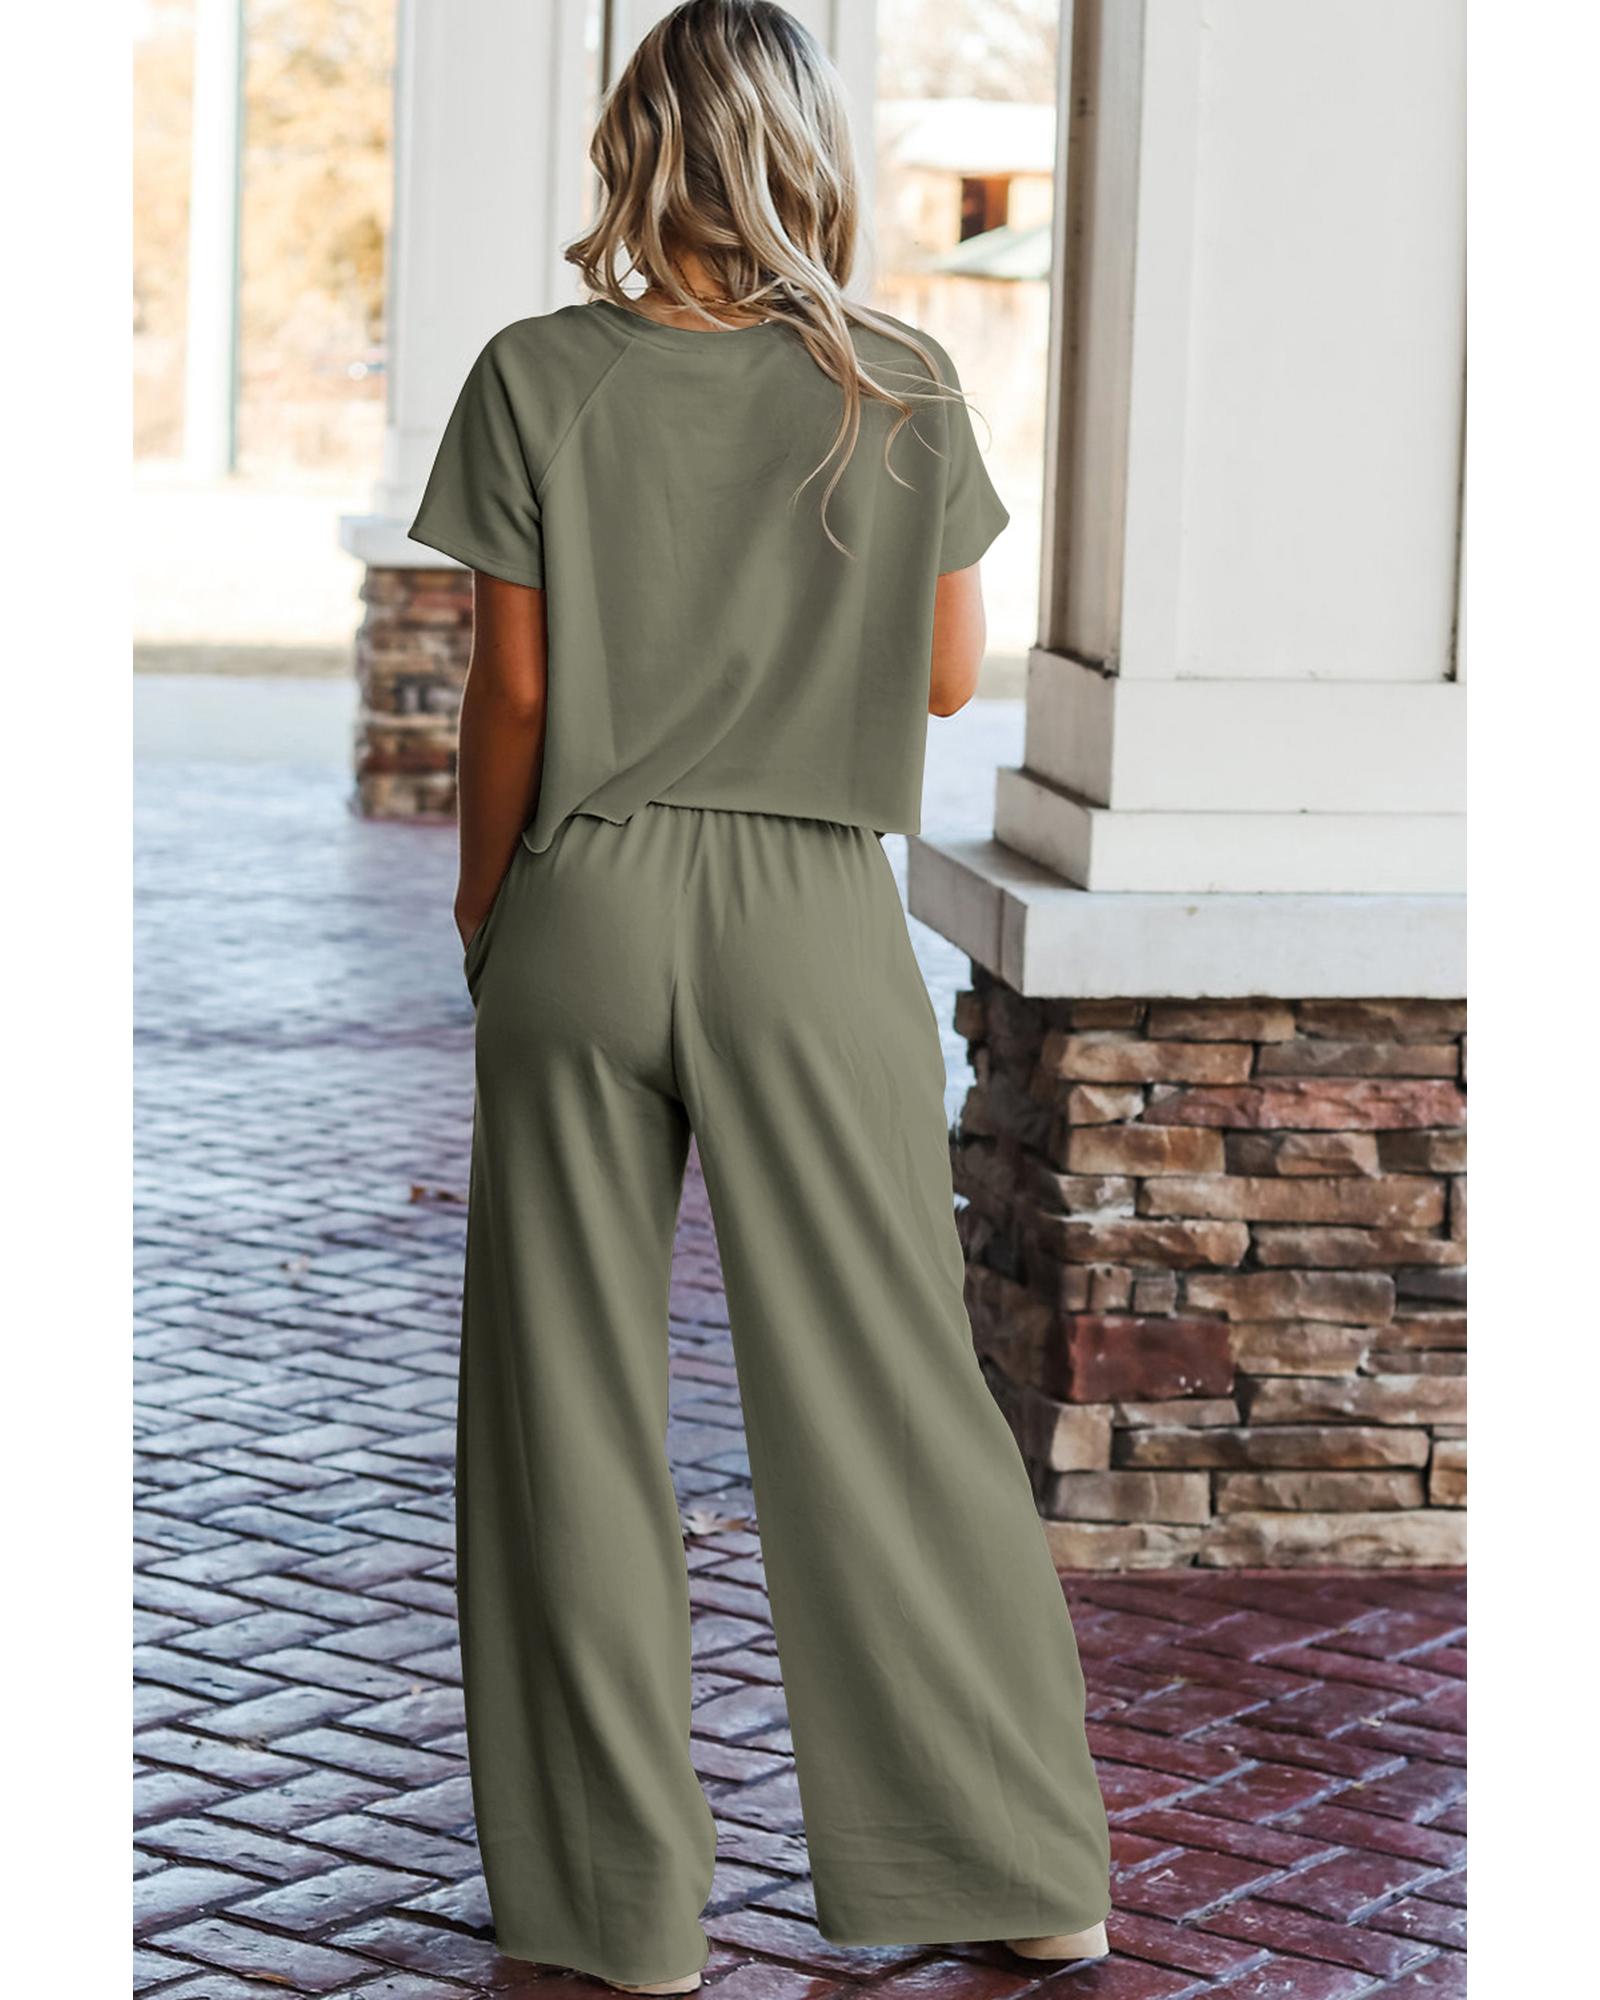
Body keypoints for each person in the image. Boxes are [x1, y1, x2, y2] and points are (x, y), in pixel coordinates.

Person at [407, 3, 1111, 1990]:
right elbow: (948, 679)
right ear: (811, 151)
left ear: (633, 148)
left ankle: (616, 1913)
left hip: (586, 898)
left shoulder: (535, 373)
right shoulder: (897, 378)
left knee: (561, 1405)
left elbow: (516, 694)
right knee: (888, 1391)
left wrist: (488, 912)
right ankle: (1016, 1869)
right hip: (811, 911)